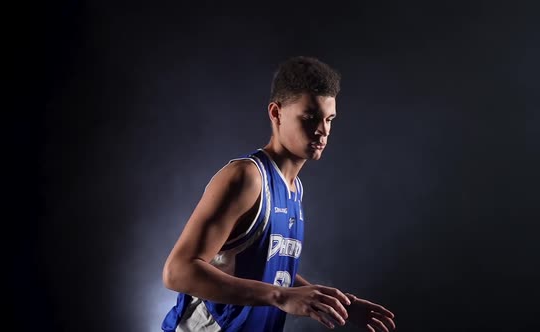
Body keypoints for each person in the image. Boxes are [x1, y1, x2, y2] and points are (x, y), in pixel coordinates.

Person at [161, 56, 396, 332]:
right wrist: (282, 297)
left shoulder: (293, 188)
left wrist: (334, 303)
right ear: (276, 113)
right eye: (310, 118)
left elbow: (268, 272)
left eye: (329, 119)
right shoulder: (247, 177)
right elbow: (178, 272)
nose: (323, 131)